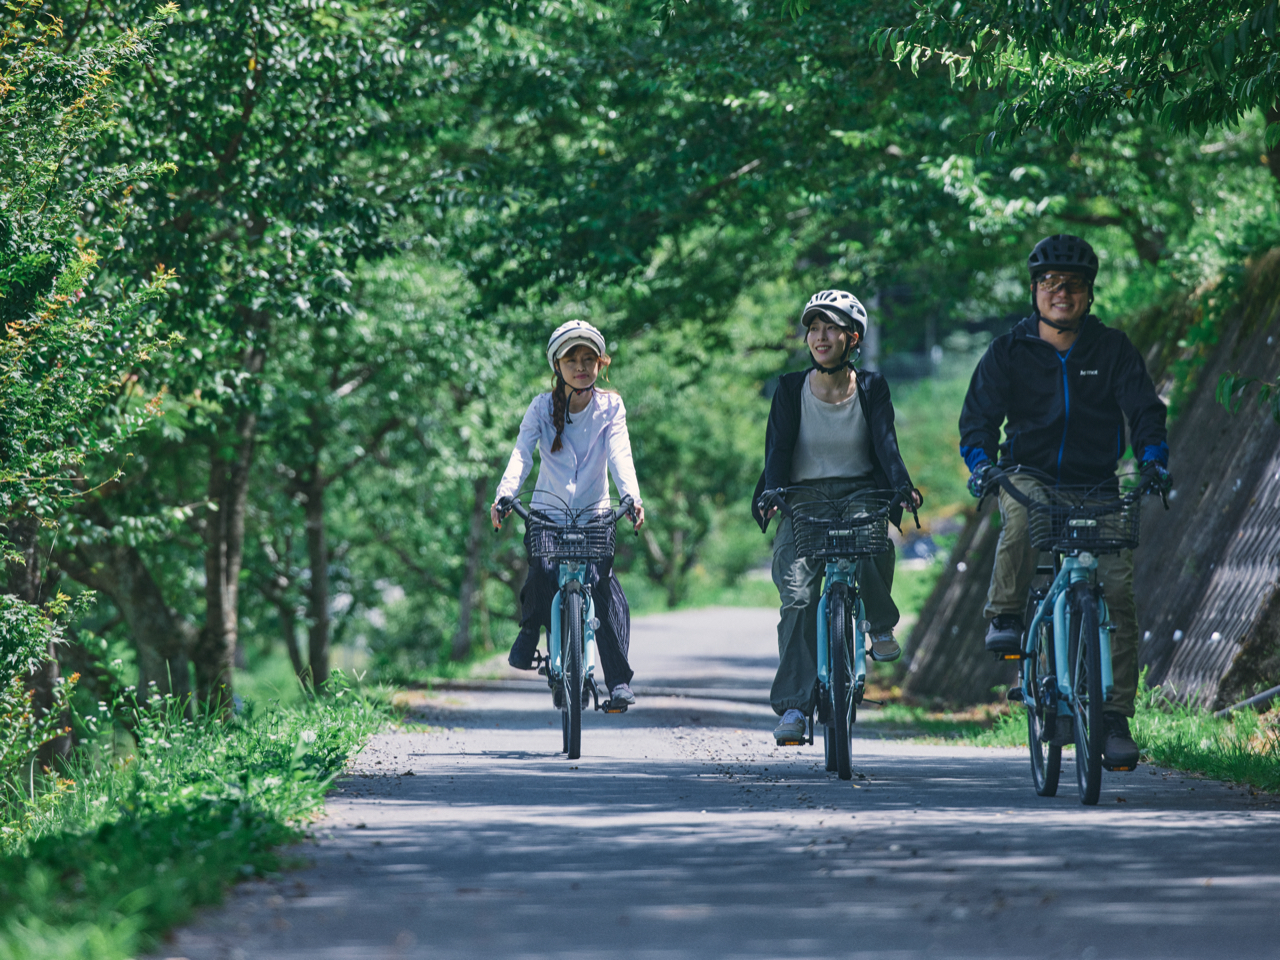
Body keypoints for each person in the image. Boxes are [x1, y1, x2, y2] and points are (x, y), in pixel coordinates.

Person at [959, 233, 1171, 769]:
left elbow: (1145, 410)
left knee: (1117, 594)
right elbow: (977, 422)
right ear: (1034, 291)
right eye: (1051, 284)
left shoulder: (1112, 348)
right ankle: (1006, 615)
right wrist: (982, 465)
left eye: (1073, 285)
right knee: (1025, 516)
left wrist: (1153, 458)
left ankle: (1115, 718)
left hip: (1098, 483)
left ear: (1089, 295)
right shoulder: (1008, 351)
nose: (1062, 293)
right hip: (1029, 473)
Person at [752, 290, 922, 746]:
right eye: (814, 327)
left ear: (853, 337)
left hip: (861, 490)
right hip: (802, 496)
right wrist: (770, 489)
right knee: (798, 597)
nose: (820, 337)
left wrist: (901, 486)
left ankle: (880, 624)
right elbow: (778, 449)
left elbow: (886, 443)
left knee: (873, 543)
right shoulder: (790, 388)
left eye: (831, 328)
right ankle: (792, 706)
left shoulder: (871, 387)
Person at [491, 320, 646, 706]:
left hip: (595, 513)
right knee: (543, 570)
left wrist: (632, 497)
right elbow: (521, 453)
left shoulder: (611, 406)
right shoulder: (541, 407)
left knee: (600, 582)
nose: (581, 366)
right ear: (556, 366)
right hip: (547, 512)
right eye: (572, 359)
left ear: (601, 364)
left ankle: (618, 680)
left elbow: (620, 454)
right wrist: (505, 494)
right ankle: (530, 632)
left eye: (589, 358)